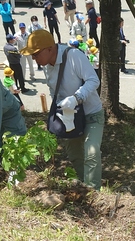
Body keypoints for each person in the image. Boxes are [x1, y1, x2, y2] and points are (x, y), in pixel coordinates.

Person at [21, 30, 105, 189]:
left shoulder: (74, 56)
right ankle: (84, 187)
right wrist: (62, 109)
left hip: (92, 114)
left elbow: (94, 80)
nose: (34, 58)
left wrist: (76, 98)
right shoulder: (47, 67)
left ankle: (94, 195)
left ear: (50, 49)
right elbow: (54, 91)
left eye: (36, 54)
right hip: (70, 119)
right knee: (74, 156)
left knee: (92, 153)